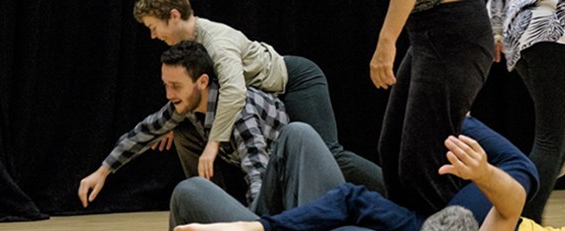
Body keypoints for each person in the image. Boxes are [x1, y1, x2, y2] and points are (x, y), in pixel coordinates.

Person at [167, 117, 565, 231]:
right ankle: (262, 228)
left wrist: (482, 173)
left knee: (187, 195)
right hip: (446, 229)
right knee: (304, 139)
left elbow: (512, 204)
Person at [132, 0, 384, 195]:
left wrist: (213, 143)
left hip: (296, 82)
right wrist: (176, 117)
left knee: (328, 154)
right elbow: (197, 89)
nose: (153, 35)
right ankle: (215, 211)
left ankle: (399, 195)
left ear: (174, 16)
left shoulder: (216, 42)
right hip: (266, 98)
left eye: (153, 27)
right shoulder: (187, 45)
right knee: (184, 132)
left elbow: (233, 92)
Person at [77, 42, 343, 217]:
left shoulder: (238, 110)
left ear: (202, 81)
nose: (169, 94)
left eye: (176, 86)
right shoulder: (187, 104)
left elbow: (257, 170)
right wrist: (103, 171)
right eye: (165, 85)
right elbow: (145, 131)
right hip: (260, 171)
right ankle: (211, 210)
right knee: (180, 131)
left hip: (286, 177)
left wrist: (252, 230)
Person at [370, 0, 494, 216]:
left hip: (452, 30)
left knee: (423, 167)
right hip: (425, 32)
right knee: (392, 150)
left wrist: (386, 41)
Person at [486, 0, 565, 224]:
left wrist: (495, 28)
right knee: (551, 139)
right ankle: (522, 221)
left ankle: (522, 213)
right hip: (556, 25)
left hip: (523, 28)